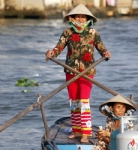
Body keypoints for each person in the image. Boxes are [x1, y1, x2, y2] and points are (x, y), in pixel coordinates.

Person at [45, 4, 111, 143]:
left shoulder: (93, 33)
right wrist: (52, 53)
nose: (80, 19)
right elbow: (59, 48)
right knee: (74, 101)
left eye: (83, 17)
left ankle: (85, 133)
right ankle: (76, 131)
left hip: (87, 71)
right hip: (71, 70)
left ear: (88, 18)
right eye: (78, 16)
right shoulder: (67, 32)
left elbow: (101, 48)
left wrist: (106, 53)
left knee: (84, 101)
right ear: (72, 18)